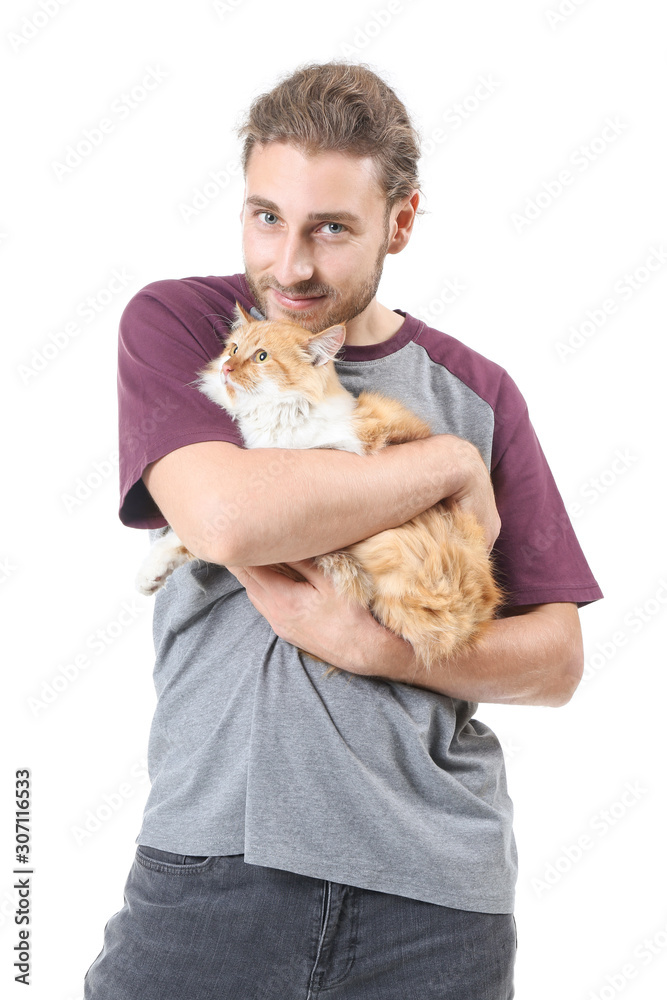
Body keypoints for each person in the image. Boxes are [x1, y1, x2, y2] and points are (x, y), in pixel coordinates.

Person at [84, 62, 602, 999]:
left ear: (400, 222)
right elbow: (224, 516)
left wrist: (378, 649)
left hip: (437, 896)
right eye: (266, 216)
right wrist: (444, 468)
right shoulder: (184, 325)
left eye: (330, 228)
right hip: (213, 867)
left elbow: (557, 658)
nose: (289, 265)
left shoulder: (477, 392)